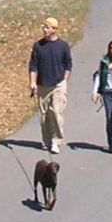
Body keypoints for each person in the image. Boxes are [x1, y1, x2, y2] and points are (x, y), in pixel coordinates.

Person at [27, 17, 72, 154]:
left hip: (58, 84)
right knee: (45, 115)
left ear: (54, 29)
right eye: (44, 27)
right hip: (43, 85)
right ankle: (47, 141)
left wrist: (64, 80)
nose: (44, 30)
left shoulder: (63, 46)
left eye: (47, 27)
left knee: (56, 112)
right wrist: (32, 82)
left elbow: (68, 65)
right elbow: (33, 66)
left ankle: (56, 141)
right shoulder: (38, 46)